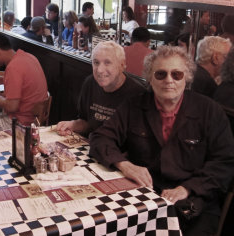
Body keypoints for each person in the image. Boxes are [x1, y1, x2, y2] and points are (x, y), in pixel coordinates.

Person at [89, 46, 234, 236]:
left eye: (176, 74)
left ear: (187, 77)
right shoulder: (134, 105)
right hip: (145, 198)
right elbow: (101, 138)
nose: (169, 80)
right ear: (150, 77)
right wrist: (125, 165)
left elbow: (224, 163)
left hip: (195, 205)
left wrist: (187, 188)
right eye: (160, 74)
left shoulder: (209, 111)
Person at [56, 41, 145, 137]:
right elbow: (86, 122)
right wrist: (73, 124)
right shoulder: (90, 83)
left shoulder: (138, 94)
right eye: (96, 62)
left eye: (107, 63)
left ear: (122, 66)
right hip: (92, 146)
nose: (100, 70)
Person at [0, 32, 48, 125]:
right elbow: (26, 81)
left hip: (21, 123)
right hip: (33, 118)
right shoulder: (29, 57)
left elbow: (11, 107)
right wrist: (4, 79)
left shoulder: (13, 67)